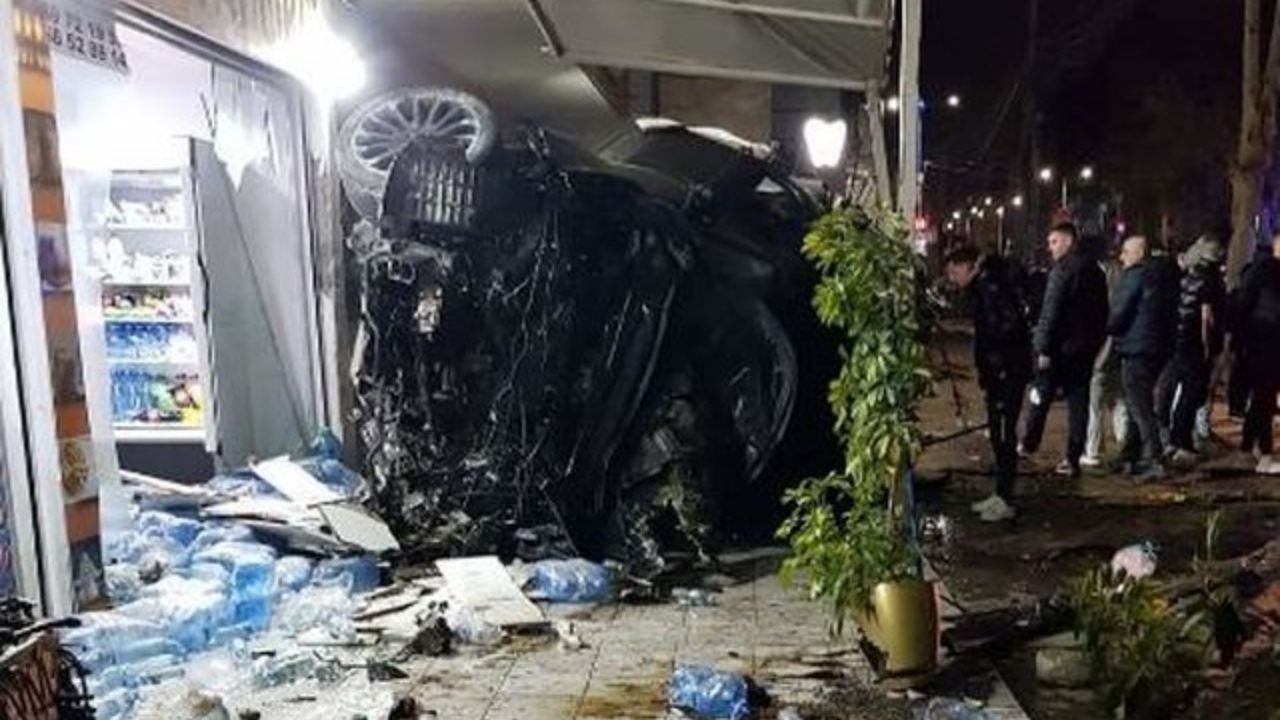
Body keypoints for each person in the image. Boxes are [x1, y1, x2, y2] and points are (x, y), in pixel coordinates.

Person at [944, 245, 1032, 522]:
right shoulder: (987, 286)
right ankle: (1000, 494)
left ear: (966, 266)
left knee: (1004, 434)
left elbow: (1006, 327)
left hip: (1006, 372)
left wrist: (997, 361)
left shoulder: (991, 287)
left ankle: (1005, 499)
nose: (952, 280)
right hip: (1000, 372)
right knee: (998, 433)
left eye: (953, 272)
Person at [1020, 222, 1110, 477]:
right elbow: (1102, 312)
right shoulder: (1095, 270)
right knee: (1078, 402)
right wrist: (1094, 343)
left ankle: (1028, 443)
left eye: (1055, 242)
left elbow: (1052, 311)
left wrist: (1043, 348)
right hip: (1083, 349)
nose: (1050, 248)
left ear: (1069, 241)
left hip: (1059, 348)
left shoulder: (1063, 270)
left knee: (1040, 395)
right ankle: (1072, 456)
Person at [1108, 236, 1169, 480]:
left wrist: (1106, 327)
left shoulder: (1135, 276)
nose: (1121, 257)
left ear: (1139, 253)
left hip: (1136, 347)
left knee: (1140, 406)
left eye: (1126, 251)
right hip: (1157, 348)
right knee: (1137, 401)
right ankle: (1130, 454)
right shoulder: (1162, 275)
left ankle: (1154, 457)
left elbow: (1119, 312)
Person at [1165, 235, 1227, 465]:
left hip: (1181, 339)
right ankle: (1182, 443)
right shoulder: (1211, 278)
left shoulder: (1189, 274)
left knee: (1185, 394)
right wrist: (1207, 347)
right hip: (1196, 344)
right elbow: (1206, 317)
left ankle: (1176, 440)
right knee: (1193, 394)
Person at [1082, 246, 1129, 467]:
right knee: (1118, 400)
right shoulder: (1124, 289)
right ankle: (1124, 445)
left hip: (1100, 355)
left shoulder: (1099, 299)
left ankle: (1092, 450)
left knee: (1095, 403)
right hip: (1121, 353)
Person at [1237, 238, 1280, 474]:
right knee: (1265, 398)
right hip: (1267, 343)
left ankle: (1248, 446)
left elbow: (1243, 305)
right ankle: (1264, 454)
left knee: (1261, 398)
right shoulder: (1270, 274)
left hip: (1259, 342)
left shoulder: (1259, 272)